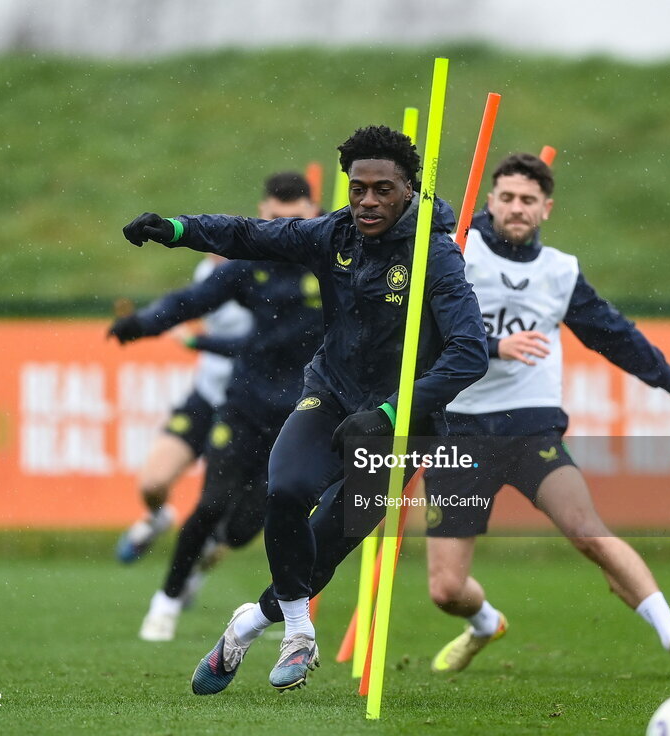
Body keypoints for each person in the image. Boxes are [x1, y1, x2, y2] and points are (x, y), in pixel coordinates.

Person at [121, 124, 488, 691]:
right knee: (285, 489)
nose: (368, 201)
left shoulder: (435, 255)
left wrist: (391, 414)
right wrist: (176, 229)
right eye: (358, 188)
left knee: (323, 552)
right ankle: (299, 633)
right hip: (331, 395)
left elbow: (469, 354)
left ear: (410, 190)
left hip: (404, 428)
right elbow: (250, 234)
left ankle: (246, 626)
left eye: (383, 190)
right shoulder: (333, 235)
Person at [422, 153, 670, 677]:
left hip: (529, 424)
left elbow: (615, 335)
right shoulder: (455, 254)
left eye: (529, 201)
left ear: (547, 209)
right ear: (490, 201)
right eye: (508, 198)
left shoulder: (559, 271)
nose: (517, 208)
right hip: (460, 429)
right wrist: (494, 345)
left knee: (587, 530)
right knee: (447, 590)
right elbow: (424, 334)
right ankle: (485, 622)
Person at [111, 172, 323, 642]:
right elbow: (193, 300)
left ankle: (261, 595)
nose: (284, 233)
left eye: (295, 222)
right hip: (244, 404)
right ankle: (165, 602)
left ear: (313, 214)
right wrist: (142, 324)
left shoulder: (335, 255)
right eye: (275, 221)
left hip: (304, 413)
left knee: (254, 525)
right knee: (210, 504)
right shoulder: (248, 263)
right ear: (263, 214)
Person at [112, 252, 252, 570]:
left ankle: (189, 581)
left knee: (220, 516)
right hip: (206, 394)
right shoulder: (207, 271)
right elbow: (185, 303)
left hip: (247, 405)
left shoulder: (265, 278)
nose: (213, 252)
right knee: (152, 482)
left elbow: (253, 344)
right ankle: (158, 518)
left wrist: (197, 342)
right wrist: (149, 322)